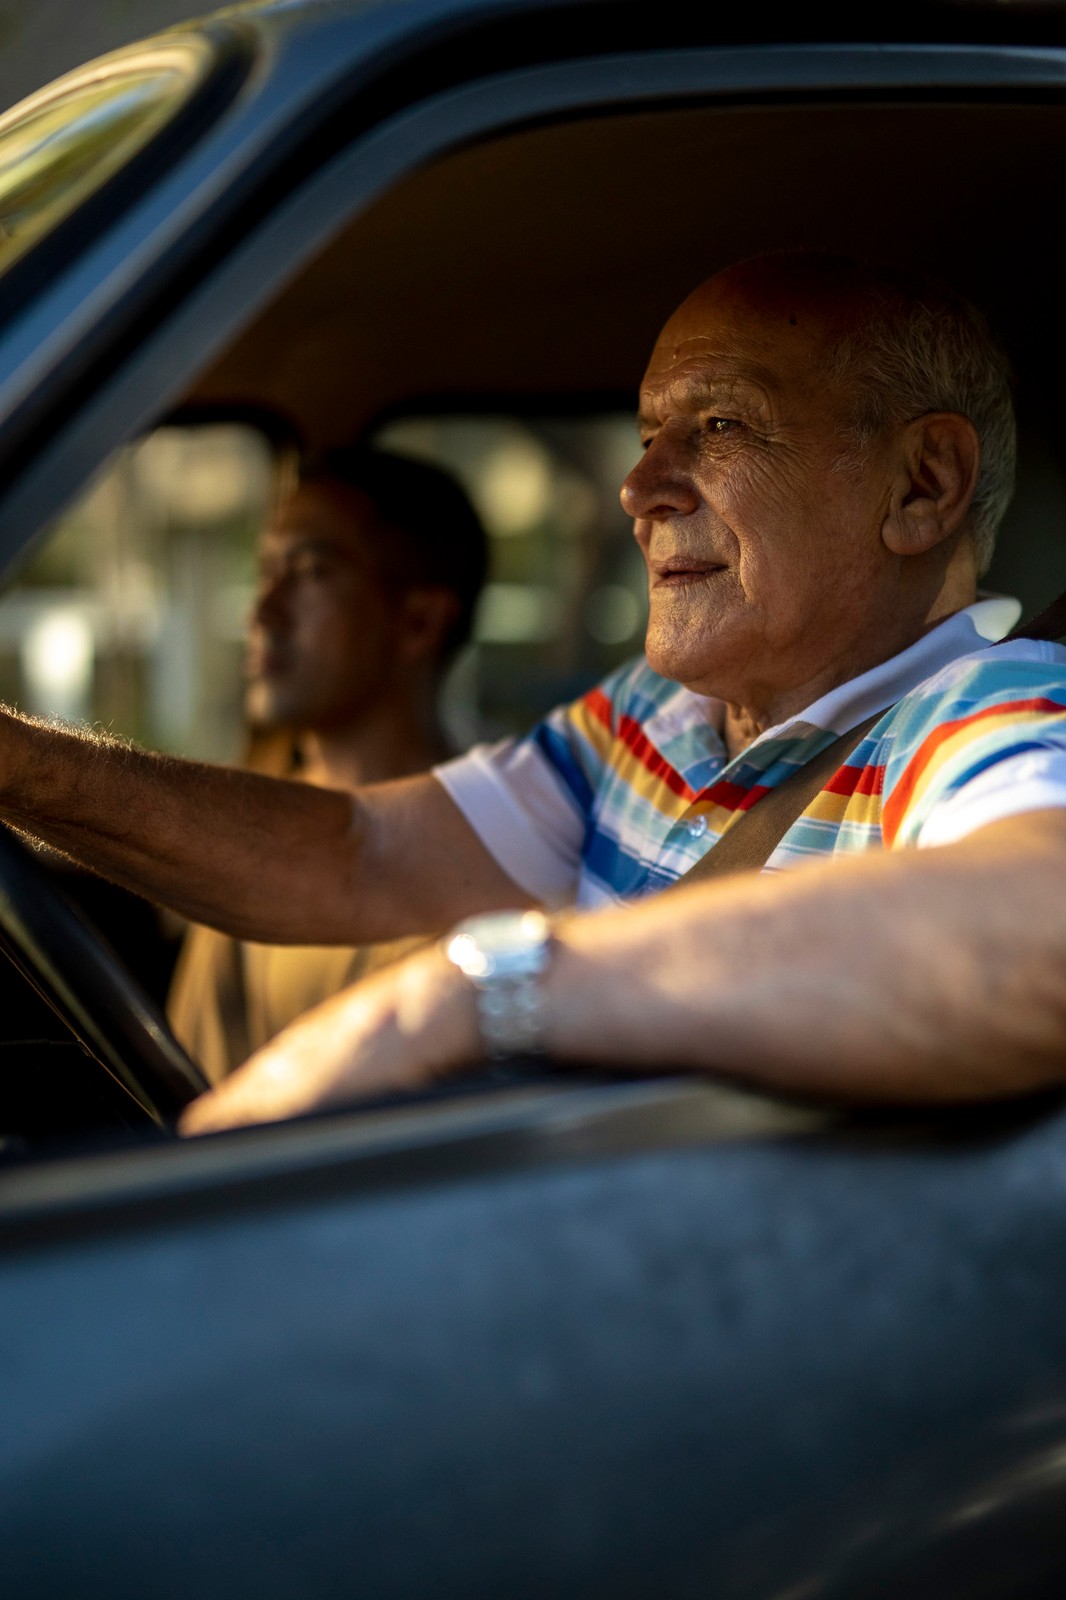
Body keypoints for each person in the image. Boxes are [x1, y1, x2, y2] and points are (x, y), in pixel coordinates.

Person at [1, 251, 1065, 1130]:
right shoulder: (651, 715)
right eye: (650, 435)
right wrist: (24, 765)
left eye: (721, 427)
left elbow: (1043, 927)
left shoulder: (992, 713)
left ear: (922, 487)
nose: (638, 488)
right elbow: (358, 855)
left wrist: (483, 990)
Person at [167, 446, 489, 1080]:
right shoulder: (248, 831)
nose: (261, 612)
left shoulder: (488, 856)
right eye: (265, 571)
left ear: (419, 622)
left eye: (311, 572)